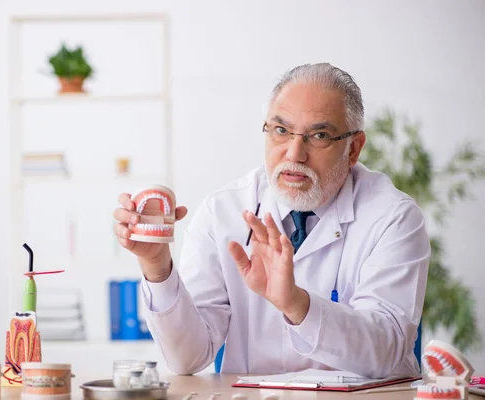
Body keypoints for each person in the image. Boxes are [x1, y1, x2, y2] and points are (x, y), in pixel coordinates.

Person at [112, 63, 431, 378]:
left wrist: (296, 303)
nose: (294, 153)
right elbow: (187, 358)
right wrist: (156, 265)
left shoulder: (393, 217)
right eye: (281, 131)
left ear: (353, 148)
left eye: (319, 135)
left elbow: (386, 351)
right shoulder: (222, 212)